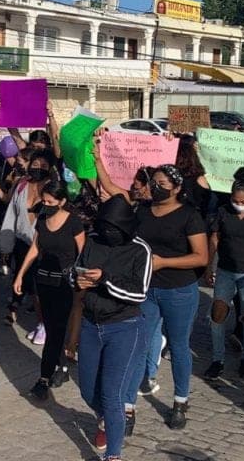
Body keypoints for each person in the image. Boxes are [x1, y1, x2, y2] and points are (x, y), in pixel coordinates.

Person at [126, 164, 209, 430]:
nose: (156, 187)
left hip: (179, 290)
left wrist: (164, 262)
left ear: (176, 188)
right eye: (154, 182)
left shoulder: (189, 216)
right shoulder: (143, 210)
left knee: (179, 345)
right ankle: (128, 406)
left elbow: (201, 257)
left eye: (162, 183)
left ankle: (180, 402)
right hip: (146, 289)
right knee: (138, 344)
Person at [74, 194, 152, 460]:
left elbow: (139, 293)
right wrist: (77, 280)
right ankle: (106, 419)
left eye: (114, 229)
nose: (108, 233)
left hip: (125, 327)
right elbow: (77, 269)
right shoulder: (93, 239)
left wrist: (105, 280)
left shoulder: (140, 249)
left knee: (112, 394)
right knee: (87, 390)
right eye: (104, 227)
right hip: (91, 324)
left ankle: (114, 454)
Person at [14, 181, 85, 401]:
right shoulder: (43, 219)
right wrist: (20, 274)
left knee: (56, 331)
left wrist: (82, 282)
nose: (46, 205)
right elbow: (35, 248)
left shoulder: (73, 222)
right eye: (44, 201)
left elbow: (83, 253)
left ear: (62, 201)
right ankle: (61, 366)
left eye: (50, 202)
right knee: (51, 326)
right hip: (43, 281)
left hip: (65, 283)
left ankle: (44, 378)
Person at [205, 168, 244, 379]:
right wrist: (209, 265)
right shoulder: (224, 211)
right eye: (236, 200)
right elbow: (215, 238)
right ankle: (217, 359)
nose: (239, 204)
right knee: (218, 313)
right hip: (225, 270)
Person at [0, 150, 54, 339]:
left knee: (39, 288)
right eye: (35, 164)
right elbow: (12, 215)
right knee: (22, 280)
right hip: (22, 244)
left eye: (43, 166)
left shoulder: (53, 188)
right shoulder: (22, 185)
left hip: (44, 247)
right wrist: (5, 245)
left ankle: (44, 324)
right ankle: (18, 309)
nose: (38, 168)